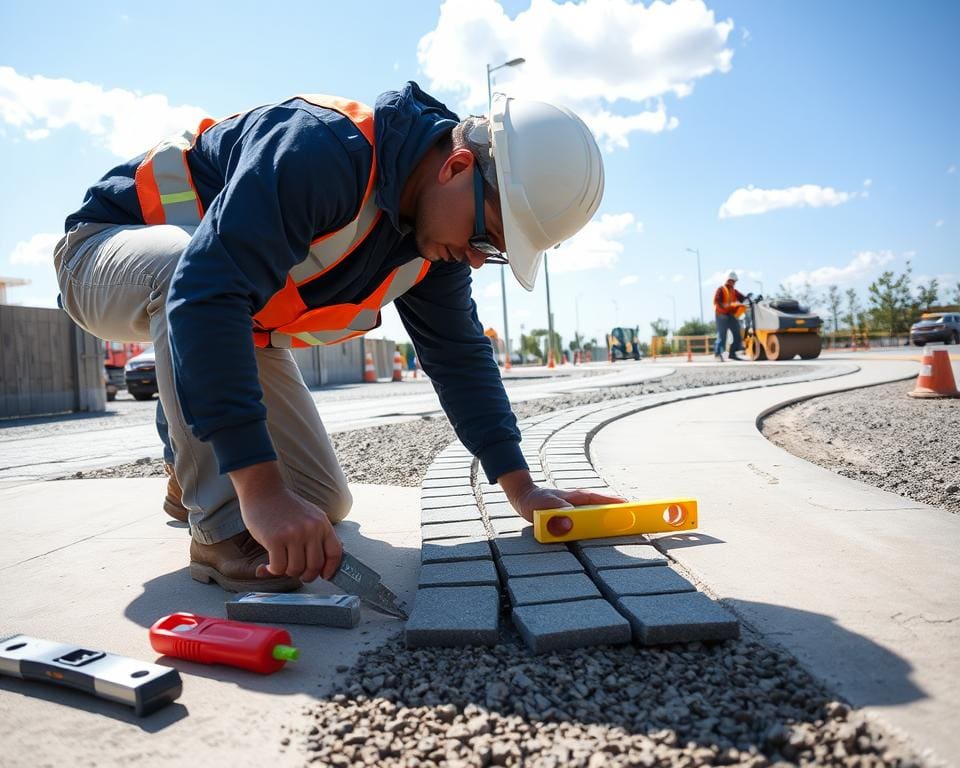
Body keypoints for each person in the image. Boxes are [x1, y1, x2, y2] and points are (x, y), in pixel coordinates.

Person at [54, 82, 621, 593]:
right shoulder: (321, 151)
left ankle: (192, 463)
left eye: (493, 252)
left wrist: (522, 489)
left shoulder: (432, 245)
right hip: (106, 253)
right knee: (262, 496)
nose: (475, 258)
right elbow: (204, 293)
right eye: (484, 234)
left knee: (322, 505)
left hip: (226, 321)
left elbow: (461, 360)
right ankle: (218, 530)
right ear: (457, 167)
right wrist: (258, 493)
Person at [714, 270, 747, 361]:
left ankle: (732, 353)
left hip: (730, 315)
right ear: (727, 280)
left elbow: (742, 298)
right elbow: (717, 302)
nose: (734, 283)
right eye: (732, 281)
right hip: (721, 315)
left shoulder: (734, 291)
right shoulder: (721, 290)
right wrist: (726, 308)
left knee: (737, 333)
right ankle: (717, 354)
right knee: (722, 336)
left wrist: (748, 298)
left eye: (734, 281)